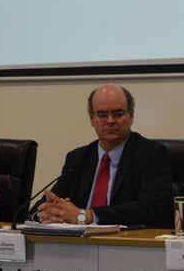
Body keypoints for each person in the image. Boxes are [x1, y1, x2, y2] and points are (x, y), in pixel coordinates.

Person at [34, 84, 172, 226]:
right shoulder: (78, 158)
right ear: (92, 119)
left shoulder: (151, 154)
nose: (110, 121)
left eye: (118, 114)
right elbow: (39, 209)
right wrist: (48, 213)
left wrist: (87, 216)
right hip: (78, 239)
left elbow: (153, 209)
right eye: (102, 115)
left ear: (131, 116)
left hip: (124, 238)